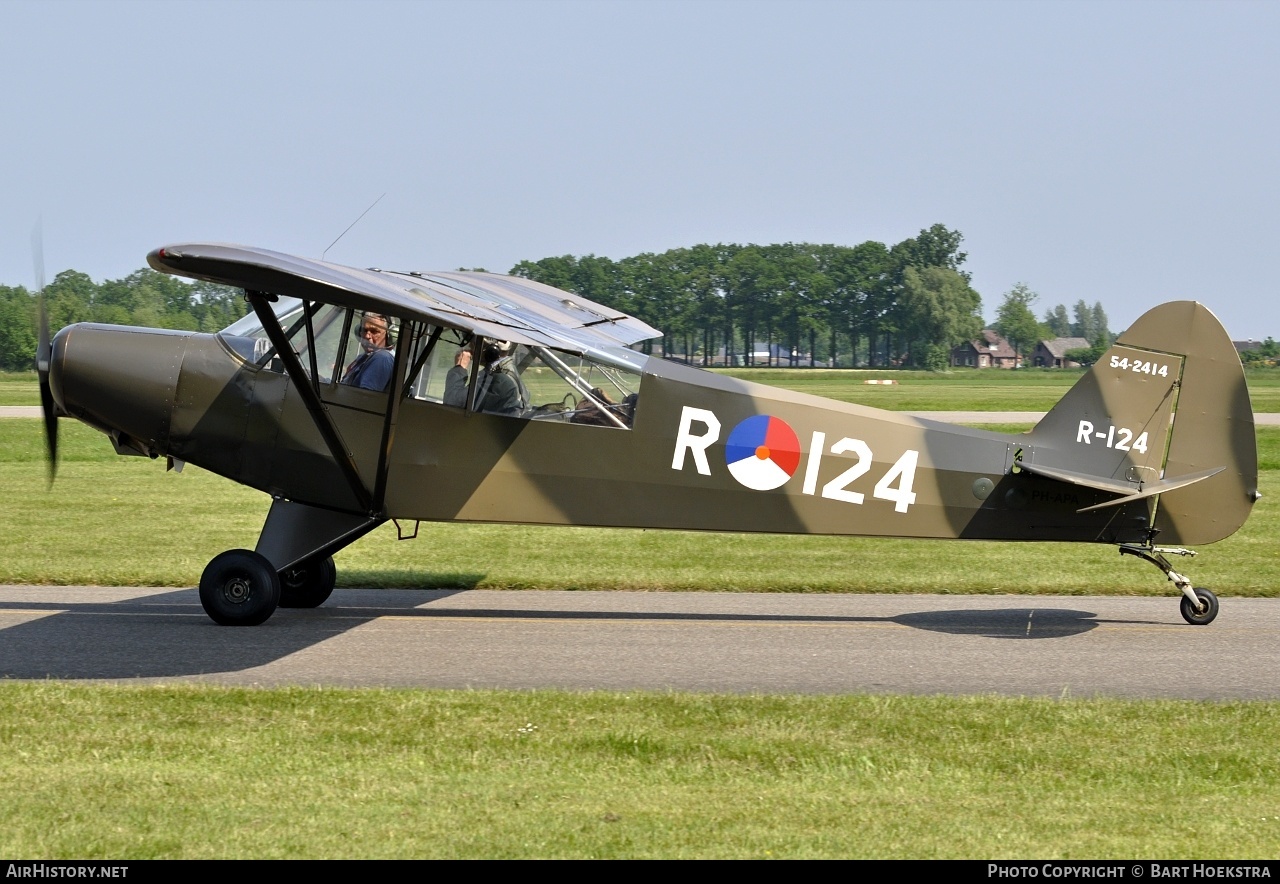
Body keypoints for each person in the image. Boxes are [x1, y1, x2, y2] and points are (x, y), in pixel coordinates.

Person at [342, 312, 394, 392]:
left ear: (389, 335)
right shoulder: (366, 356)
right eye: (364, 330)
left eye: (374, 331)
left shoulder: (382, 358)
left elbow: (365, 398)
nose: (367, 336)